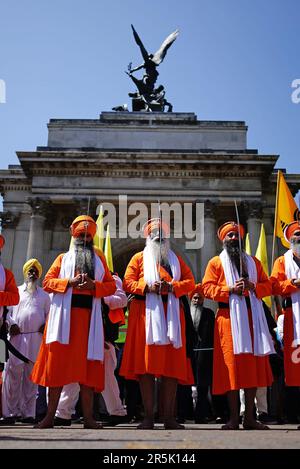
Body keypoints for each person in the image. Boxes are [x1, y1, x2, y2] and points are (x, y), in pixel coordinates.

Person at [30, 215, 116, 429]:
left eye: (88, 236)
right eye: (81, 235)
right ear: (74, 235)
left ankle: (88, 418)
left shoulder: (99, 260)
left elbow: (111, 286)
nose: (84, 239)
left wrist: (93, 286)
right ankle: (50, 416)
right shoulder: (62, 259)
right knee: (57, 370)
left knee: (86, 372)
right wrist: (69, 282)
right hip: (63, 323)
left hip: (89, 323)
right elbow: (48, 282)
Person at [120, 218, 195, 430]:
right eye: (154, 232)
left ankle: (169, 417)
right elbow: (128, 282)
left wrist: (172, 287)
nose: (158, 235)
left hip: (172, 318)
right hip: (145, 316)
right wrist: (148, 286)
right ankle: (148, 418)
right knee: (146, 369)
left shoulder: (176, 259)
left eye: (162, 232)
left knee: (171, 369)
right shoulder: (137, 258)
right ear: (148, 237)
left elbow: (190, 282)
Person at [202, 221, 274, 430]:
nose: (234, 238)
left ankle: (250, 418)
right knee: (231, 368)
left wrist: (253, 286)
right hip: (227, 319)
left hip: (253, 318)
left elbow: (268, 285)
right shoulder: (215, 262)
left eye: (236, 235)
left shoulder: (254, 263)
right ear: (223, 240)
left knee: (252, 369)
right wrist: (229, 289)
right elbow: (207, 288)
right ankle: (233, 418)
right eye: (230, 235)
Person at [54, 273, 128, 426]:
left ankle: (117, 412)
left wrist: (97, 292)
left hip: (102, 335)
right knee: (74, 371)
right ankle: (63, 413)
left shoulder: (112, 279)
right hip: (80, 331)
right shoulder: (74, 277)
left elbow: (121, 300)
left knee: (106, 374)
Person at [1, 259, 50, 425]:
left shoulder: (44, 295)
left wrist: (46, 324)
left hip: (35, 339)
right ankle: (9, 414)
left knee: (31, 379)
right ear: (25, 273)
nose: (33, 274)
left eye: (35, 271)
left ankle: (28, 414)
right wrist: (11, 324)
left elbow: (50, 315)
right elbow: (6, 312)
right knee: (12, 377)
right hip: (16, 338)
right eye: (30, 271)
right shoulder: (16, 292)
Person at [270, 220, 300, 428]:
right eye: (297, 234)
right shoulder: (282, 261)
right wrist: (292, 284)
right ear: (290, 239)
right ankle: (295, 414)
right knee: (295, 366)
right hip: (293, 319)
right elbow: (273, 285)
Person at [189, 284, 215, 423]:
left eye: (199, 298)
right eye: (194, 298)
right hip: (189, 354)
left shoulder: (209, 314)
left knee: (203, 386)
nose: (196, 301)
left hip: (205, 355)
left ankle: (201, 414)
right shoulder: (186, 312)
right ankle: (185, 414)